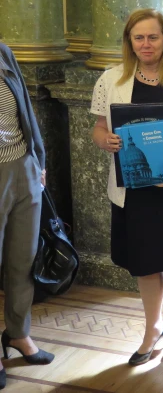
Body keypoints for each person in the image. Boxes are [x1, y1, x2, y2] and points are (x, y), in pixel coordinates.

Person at [90, 9, 163, 371]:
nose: (145, 44)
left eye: (152, 37)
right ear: (129, 42)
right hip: (134, 190)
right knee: (144, 266)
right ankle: (152, 328)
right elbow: (98, 128)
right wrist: (105, 140)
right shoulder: (110, 79)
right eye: (138, 38)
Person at [0, 42, 55, 389]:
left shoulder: (3, 52)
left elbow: (25, 111)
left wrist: (38, 158)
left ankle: (18, 334)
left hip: (22, 167)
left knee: (22, 260)